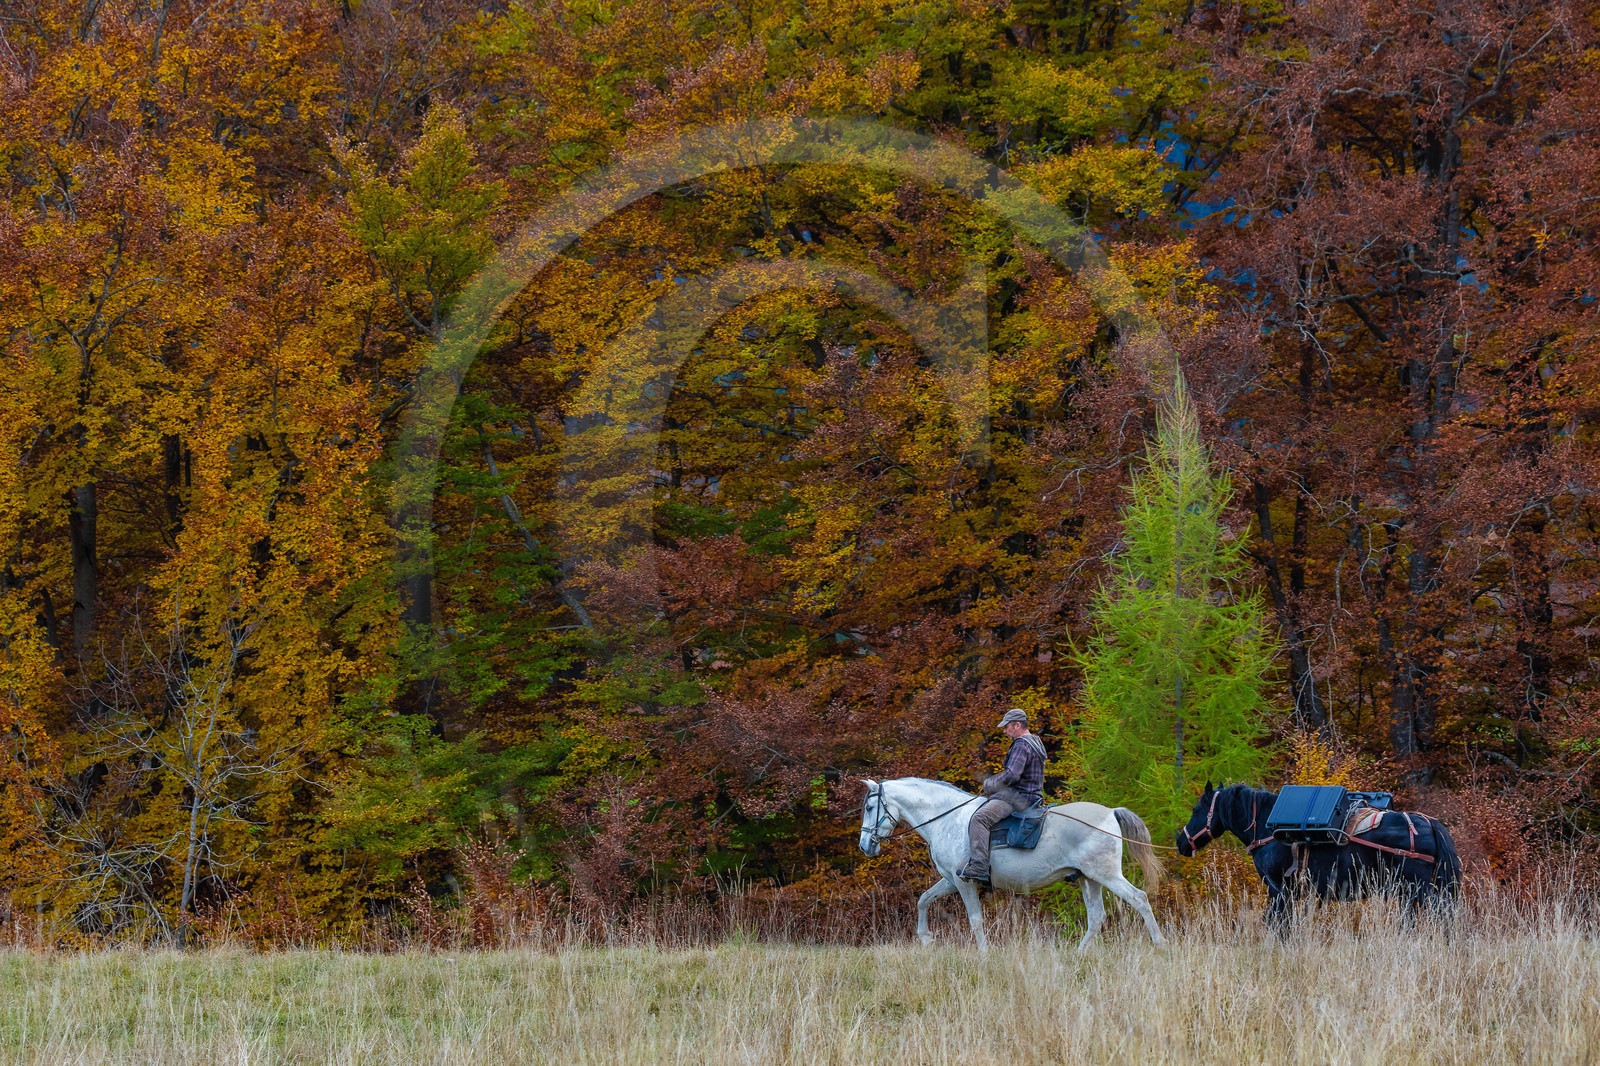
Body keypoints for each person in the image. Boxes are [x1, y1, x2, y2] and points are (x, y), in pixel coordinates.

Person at [959, 707, 1047, 884]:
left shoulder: (1022, 744)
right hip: (1032, 796)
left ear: (1017, 725)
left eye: (1006, 727)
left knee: (980, 818)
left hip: (1017, 798)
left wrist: (990, 783)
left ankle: (979, 867)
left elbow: (1013, 774)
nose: (1005, 731)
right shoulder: (1036, 742)